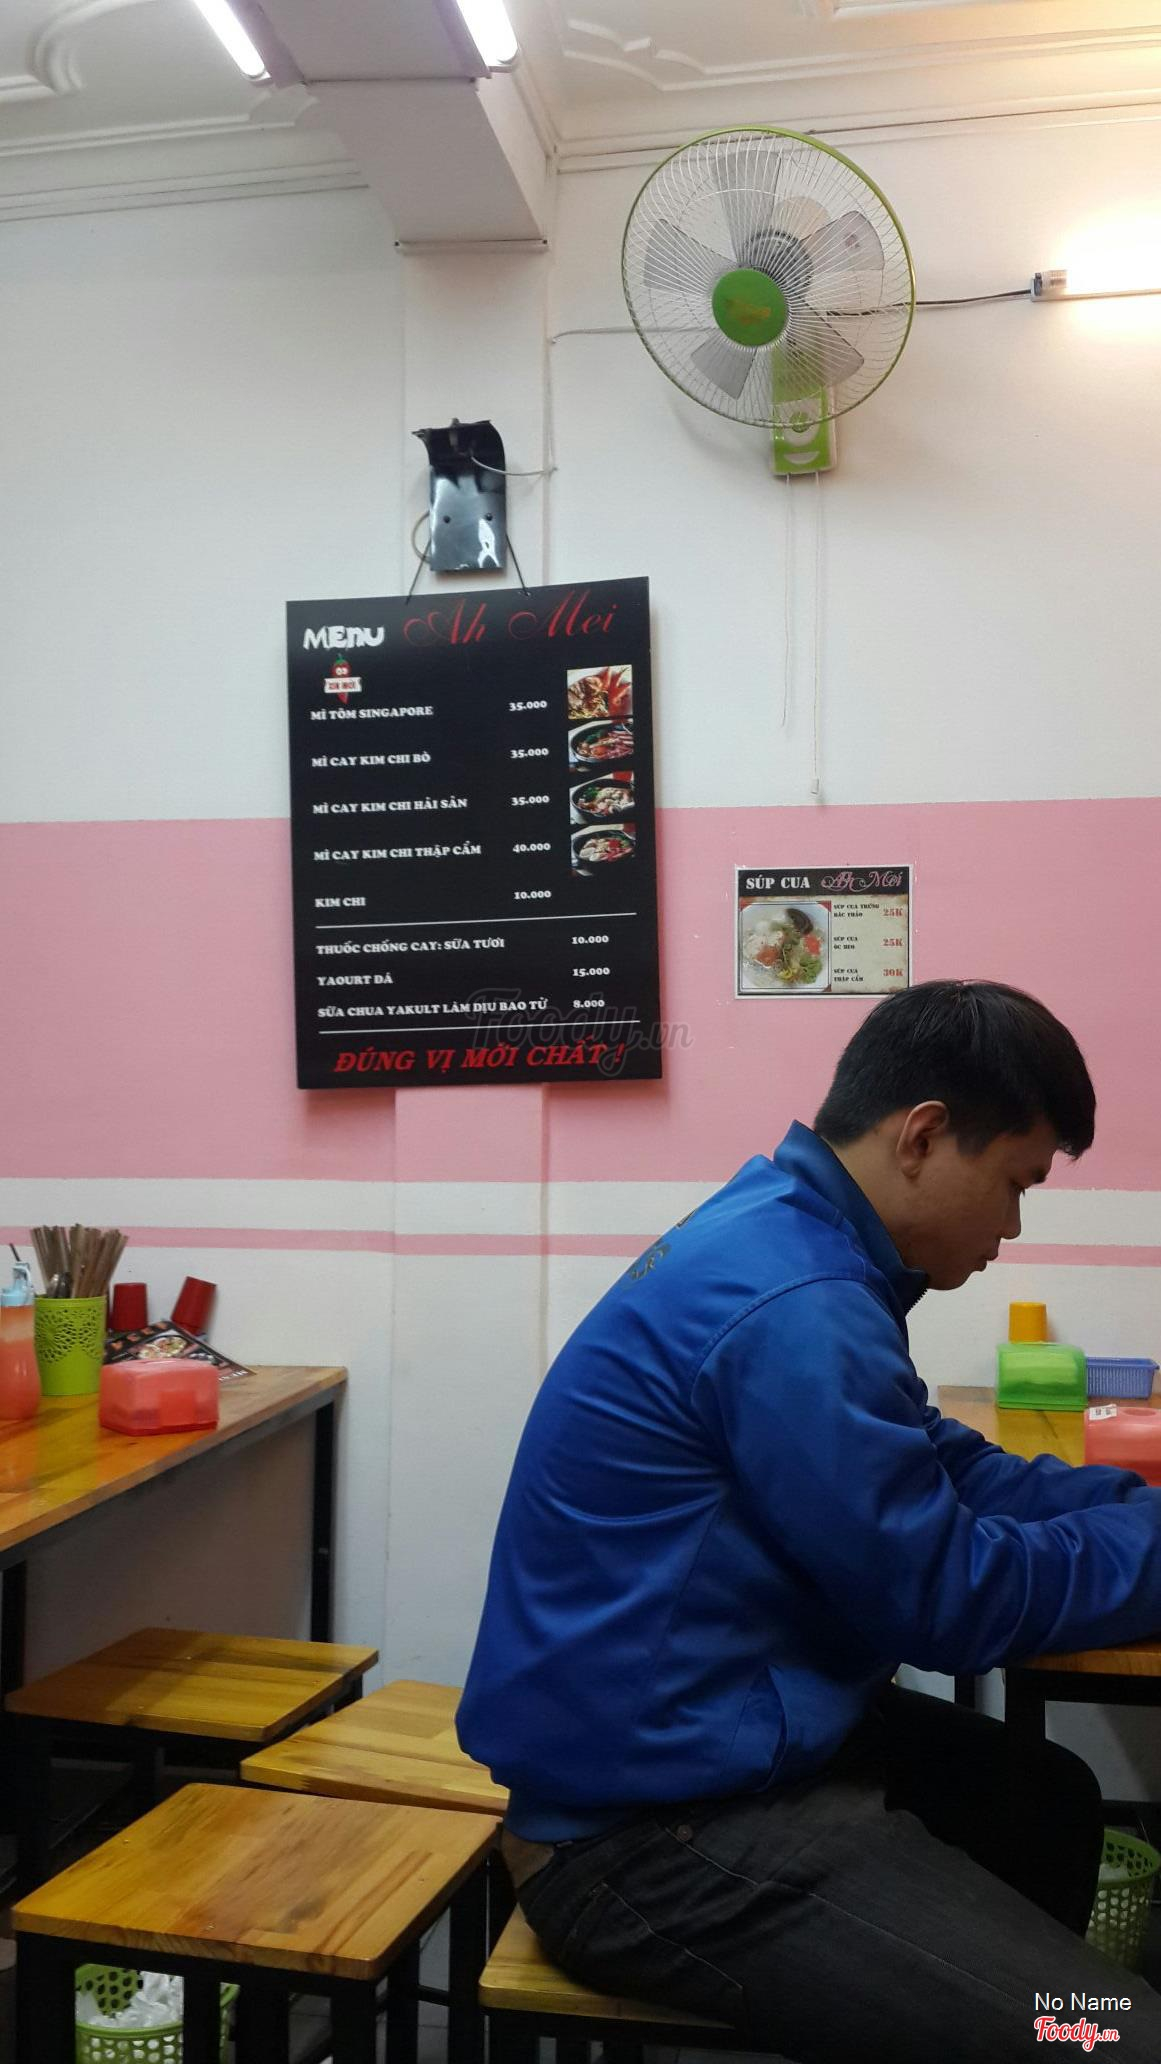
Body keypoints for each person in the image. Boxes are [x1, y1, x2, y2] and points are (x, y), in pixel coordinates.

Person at [458, 981, 1161, 2062]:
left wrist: (1133, 1513)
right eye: (1015, 1184)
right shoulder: (796, 1304)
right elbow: (950, 1599)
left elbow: (944, 1466)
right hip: (642, 1841)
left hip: (722, 1745)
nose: (1012, 1227)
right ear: (922, 1136)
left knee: (1046, 1799)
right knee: (1111, 2035)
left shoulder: (787, 1237)